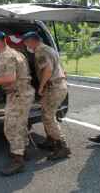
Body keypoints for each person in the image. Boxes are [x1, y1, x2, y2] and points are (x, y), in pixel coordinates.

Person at [0, 31, 35, 176]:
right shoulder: (17, 52)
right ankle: (23, 151)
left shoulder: (6, 55)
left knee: (11, 128)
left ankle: (17, 161)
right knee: (20, 125)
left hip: (18, 95)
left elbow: (10, 78)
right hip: (22, 93)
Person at [22, 31, 71, 160]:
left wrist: (41, 86)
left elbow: (48, 69)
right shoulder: (50, 49)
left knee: (48, 117)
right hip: (59, 85)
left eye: (27, 43)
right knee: (47, 114)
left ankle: (62, 147)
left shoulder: (40, 51)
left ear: (32, 41)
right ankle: (50, 140)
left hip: (53, 87)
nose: (27, 46)